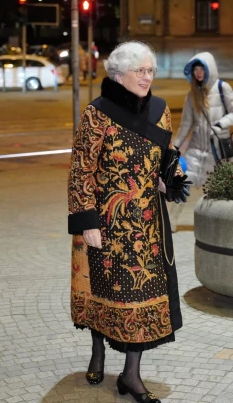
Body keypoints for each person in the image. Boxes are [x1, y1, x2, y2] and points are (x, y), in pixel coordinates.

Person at [67, 41, 189, 403]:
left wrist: (172, 177)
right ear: (118, 75)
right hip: (105, 221)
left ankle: (131, 375)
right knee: (101, 290)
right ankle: (98, 351)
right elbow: (81, 172)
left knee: (141, 294)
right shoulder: (97, 113)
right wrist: (87, 221)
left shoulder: (161, 109)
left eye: (151, 70)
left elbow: (167, 155)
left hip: (147, 223)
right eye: (141, 71)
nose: (148, 77)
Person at [170, 52, 233, 231]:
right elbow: (186, 124)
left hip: (216, 149)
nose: (199, 73)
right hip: (195, 148)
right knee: (184, 183)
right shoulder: (192, 94)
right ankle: (171, 220)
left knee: (213, 189)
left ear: (210, 69)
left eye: (202, 68)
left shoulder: (223, 88)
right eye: (196, 69)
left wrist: (221, 124)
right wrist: (175, 147)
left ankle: (213, 224)